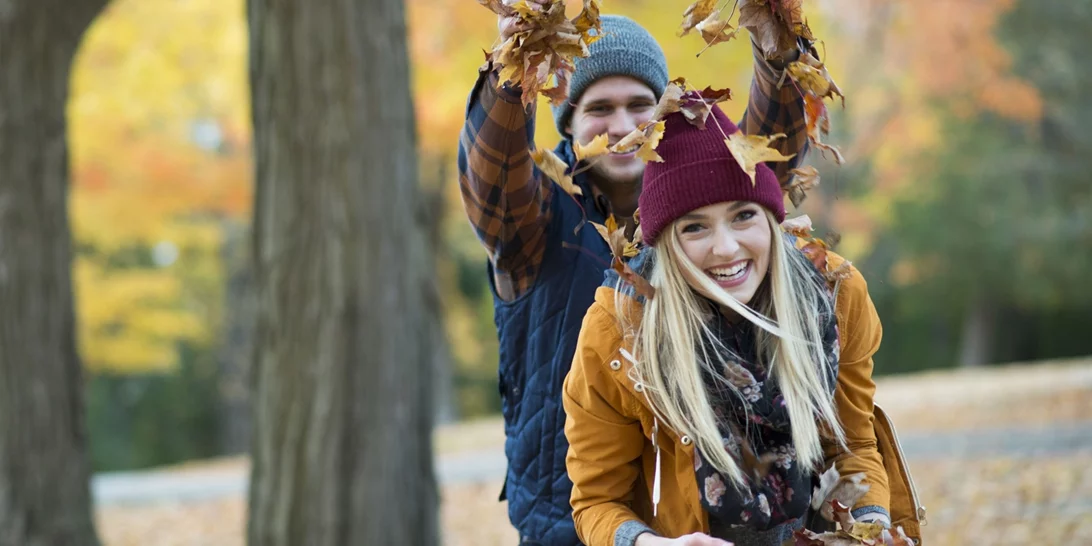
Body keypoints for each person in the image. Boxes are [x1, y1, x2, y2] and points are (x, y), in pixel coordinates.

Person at [457, 2, 810, 542]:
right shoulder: (535, 221)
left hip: (706, 524)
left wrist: (777, 50)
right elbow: (493, 173)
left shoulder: (704, 215)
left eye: (639, 104)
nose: (621, 125)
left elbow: (766, 161)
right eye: (599, 107)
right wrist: (514, 70)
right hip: (569, 526)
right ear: (568, 121)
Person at [562, 105, 896, 546]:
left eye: (744, 216)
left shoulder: (834, 297)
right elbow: (596, 500)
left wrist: (871, 529)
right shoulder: (620, 331)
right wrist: (649, 545)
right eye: (695, 228)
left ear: (772, 220)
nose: (726, 248)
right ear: (667, 244)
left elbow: (853, 449)